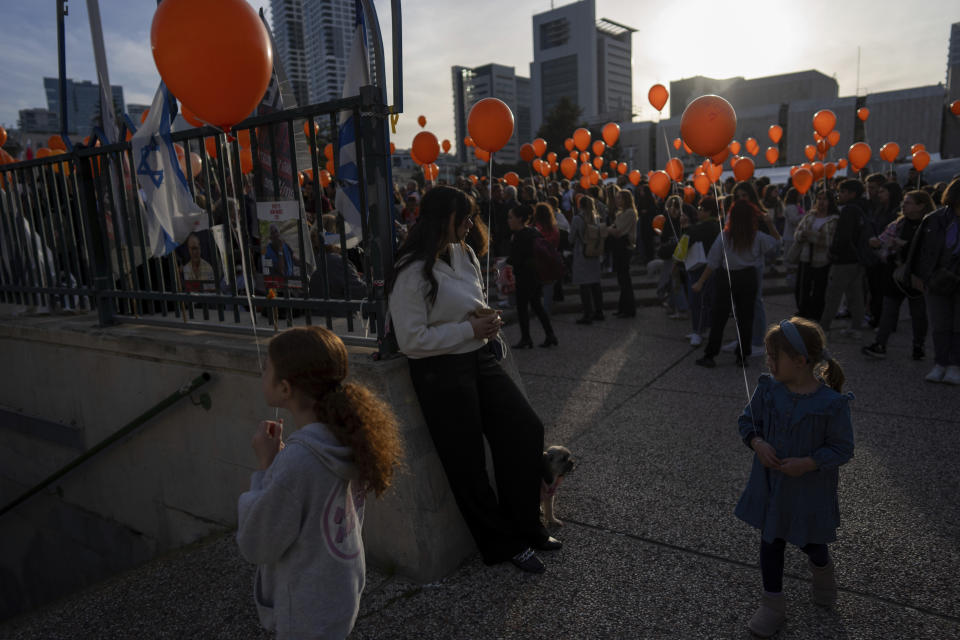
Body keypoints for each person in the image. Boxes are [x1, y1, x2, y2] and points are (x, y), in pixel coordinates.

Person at [387, 185, 558, 574]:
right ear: (442, 219)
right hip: (439, 371)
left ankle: (525, 523)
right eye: (463, 217)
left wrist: (488, 321)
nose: (470, 225)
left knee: (525, 428)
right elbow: (412, 341)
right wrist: (470, 330)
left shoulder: (463, 253)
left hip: (477, 358)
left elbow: (471, 306)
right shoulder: (410, 270)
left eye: (470, 216)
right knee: (466, 462)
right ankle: (501, 543)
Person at [237, 326, 403, 640]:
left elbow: (256, 543)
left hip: (305, 609)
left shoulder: (299, 460)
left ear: (285, 389)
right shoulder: (344, 434)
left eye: (266, 370)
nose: (262, 375)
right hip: (339, 595)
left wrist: (264, 467)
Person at [736, 317, 854, 638]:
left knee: (812, 542)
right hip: (772, 488)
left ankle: (822, 567)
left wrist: (810, 462)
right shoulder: (768, 389)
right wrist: (757, 443)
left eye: (775, 357)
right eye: (769, 357)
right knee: (770, 541)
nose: (769, 362)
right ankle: (772, 604)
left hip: (809, 492)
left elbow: (843, 448)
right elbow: (747, 422)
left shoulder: (831, 404)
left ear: (801, 361)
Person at [692, 200, 781, 368]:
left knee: (719, 316)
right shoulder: (756, 236)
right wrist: (769, 223)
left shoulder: (724, 236)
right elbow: (777, 244)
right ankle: (742, 356)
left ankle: (710, 355)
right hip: (749, 277)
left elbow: (713, 261)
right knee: (746, 317)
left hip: (727, 277)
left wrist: (700, 282)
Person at [862, 190, 934, 361]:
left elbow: (930, 250)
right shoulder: (899, 223)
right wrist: (877, 243)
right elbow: (882, 241)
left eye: (908, 202)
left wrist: (905, 245)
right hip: (895, 273)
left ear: (921, 205)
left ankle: (918, 346)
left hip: (917, 275)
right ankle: (880, 344)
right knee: (889, 310)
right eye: (904, 202)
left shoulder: (929, 224)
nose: (904, 205)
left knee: (918, 313)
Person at [911, 177, 960, 384]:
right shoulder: (934, 219)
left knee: (958, 325)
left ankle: (955, 365)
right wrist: (916, 275)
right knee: (940, 323)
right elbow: (919, 249)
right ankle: (940, 363)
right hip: (936, 278)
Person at [820, 179, 870, 338]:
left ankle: (824, 327)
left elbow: (843, 236)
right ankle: (857, 326)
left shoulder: (848, 210)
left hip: (844, 259)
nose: (839, 195)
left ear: (851, 194)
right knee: (855, 294)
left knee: (833, 294)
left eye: (842, 192)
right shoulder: (862, 208)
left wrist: (833, 252)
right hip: (857, 258)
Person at [507, 204, 558, 348]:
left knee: (522, 308)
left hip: (524, 277)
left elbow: (515, 259)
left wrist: (506, 262)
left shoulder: (519, 236)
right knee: (537, 306)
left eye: (511, 217)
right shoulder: (534, 232)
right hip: (536, 276)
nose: (508, 220)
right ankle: (550, 334)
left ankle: (526, 338)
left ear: (520, 219)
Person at [791, 190, 840, 321]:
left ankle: (817, 312)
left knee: (820, 288)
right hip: (805, 257)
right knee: (802, 287)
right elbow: (798, 233)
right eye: (819, 199)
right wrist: (805, 235)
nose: (821, 202)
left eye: (824, 199)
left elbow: (829, 240)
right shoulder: (810, 215)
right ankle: (803, 310)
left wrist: (811, 235)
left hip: (822, 259)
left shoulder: (834, 219)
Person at [684, 196, 721, 346]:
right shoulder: (717, 225)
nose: (698, 212)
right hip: (713, 267)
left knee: (698, 301)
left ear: (708, 211)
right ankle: (704, 328)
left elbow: (688, 238)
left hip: (701, 267)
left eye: (700, 209)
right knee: (707, 300)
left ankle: (698, 332)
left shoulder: (705, 227)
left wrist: (686, 227)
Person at [571, 195, 605, 325]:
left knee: (584, 285)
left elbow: (571, 238)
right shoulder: (596, 218)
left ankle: (587, 313)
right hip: (595, 252)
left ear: (580, 205)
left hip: (582, 252)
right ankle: (599, 311)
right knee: (596, 283)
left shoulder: (577, 219)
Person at [609, 189, 638, 317]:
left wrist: (609, 229)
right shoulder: (620, 213)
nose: (616, 200)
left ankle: (629, 309)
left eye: (619, 198)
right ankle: (622, 307)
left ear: (626, 199)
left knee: (624, 279)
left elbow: (617, 230)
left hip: (624, 246)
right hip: (618, 246)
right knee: (621, 279)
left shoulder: (629, 213)